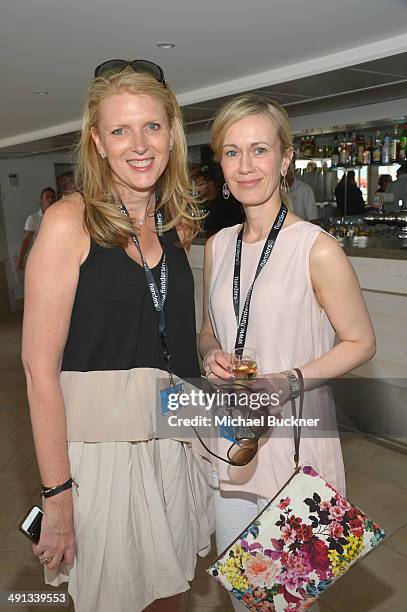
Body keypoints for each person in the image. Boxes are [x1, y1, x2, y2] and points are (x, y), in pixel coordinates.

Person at [22, 60, 213, 612]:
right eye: (120, 130)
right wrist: (57, 497)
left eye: (152, 126)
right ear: (97, 143)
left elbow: (173, 338)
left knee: (170, 592)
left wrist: (208, 355)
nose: (139, 144)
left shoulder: (178, 223)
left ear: (172, 134)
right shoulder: (67, 222)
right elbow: (39, 372)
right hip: (101, 455)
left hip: (173, 444)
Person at [198, 94, 376, 612]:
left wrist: (285, 381)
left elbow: (362, 342)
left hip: (295, 445)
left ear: (285, 159)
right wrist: (211, 352)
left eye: (259, 149)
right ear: (221, 165)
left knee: (285, 601)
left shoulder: (316, 247)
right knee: (242, 593)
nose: (246, 165)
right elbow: (209, 329)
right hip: (232, 443)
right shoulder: (218, 245)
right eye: (232, 152)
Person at [17, 187, 56, 270]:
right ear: (41, 201)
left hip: (55, 257)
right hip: (39, 259)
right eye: (47, 197)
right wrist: (20, 259)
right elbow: (26, 241)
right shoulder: (33, 219)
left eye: (53, 198)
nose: (50, 200)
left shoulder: (59, 217)